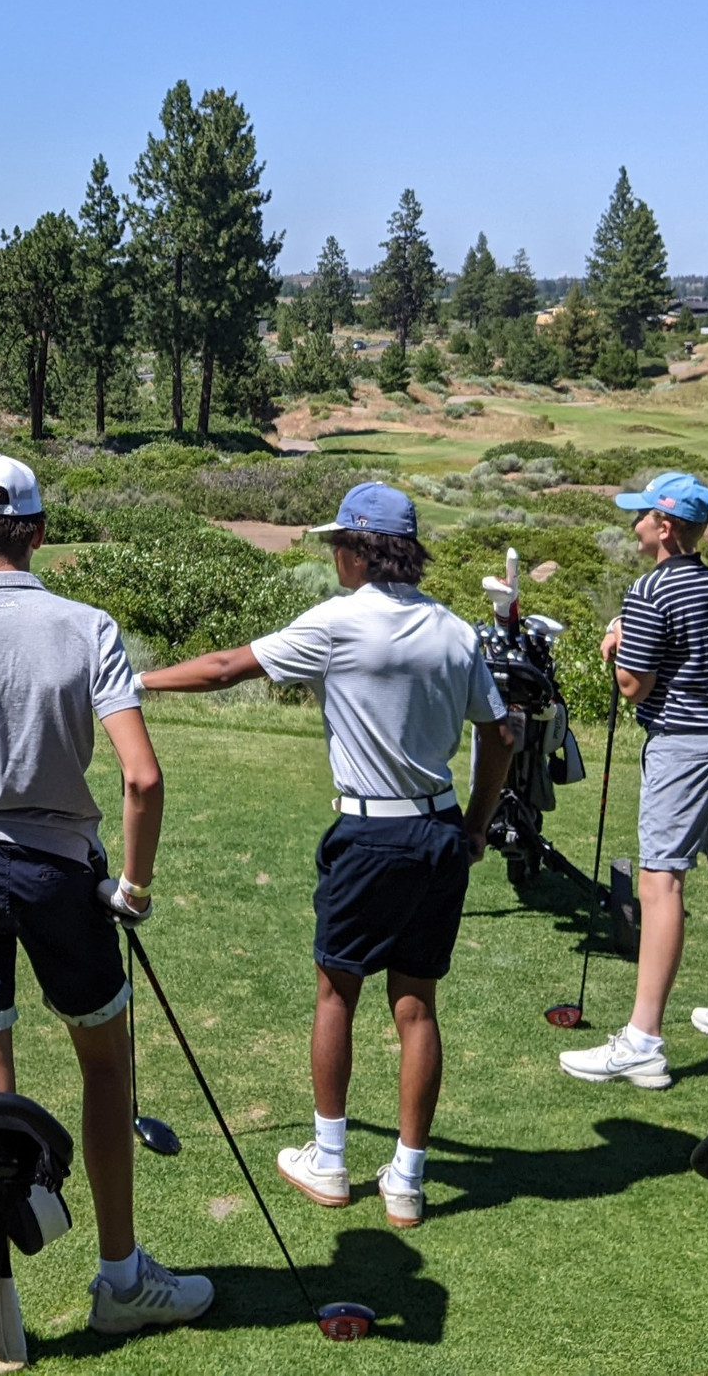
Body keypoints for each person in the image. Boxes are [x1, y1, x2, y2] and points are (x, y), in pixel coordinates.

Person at [0, 454, 215, 1338]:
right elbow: (142, 780)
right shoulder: (87, 627)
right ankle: (119, 1278)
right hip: (64, 871)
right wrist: (133, 888)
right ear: (39, 529)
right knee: (104, 1064)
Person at [138, 483, 514, 1229]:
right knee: (416, 1006)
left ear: (359, 551)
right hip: (438, 831)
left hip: (369, 835)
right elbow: (502, 736)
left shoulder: (339, 623)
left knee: (336, 991)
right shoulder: (453, 630)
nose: (334, 556)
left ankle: (331, 1160)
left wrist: (136, 681)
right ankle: (407, 1180)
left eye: (338, 544)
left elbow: (222, 667)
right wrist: (475, 825)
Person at [561, 472, 708, 1089]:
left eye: (643, 514)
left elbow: (633, 685)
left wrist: (613, 643)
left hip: (685, 747)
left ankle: (643, 1043)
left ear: (666, 526)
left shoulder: (650, 588)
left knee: (660, 882)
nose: (635, 523)